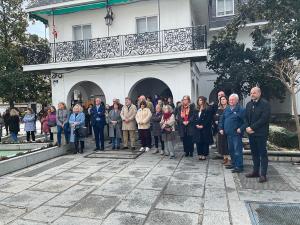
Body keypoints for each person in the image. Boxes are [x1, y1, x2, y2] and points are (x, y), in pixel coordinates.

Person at [244, 87, 271, 183]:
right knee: (254, 153)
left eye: (254, 93)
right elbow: (245, 118)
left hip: (261, 133)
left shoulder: (265, 104)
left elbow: (264, 119)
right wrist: (247, 127)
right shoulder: (248, 104)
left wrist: (252, 128)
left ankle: (263, 174)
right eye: (251, 93)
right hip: (251, 134)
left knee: (262, 154)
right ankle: (255, 172)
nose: (252, 94)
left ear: (259, 93)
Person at [219, 94, 245, 173]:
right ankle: (233, 164)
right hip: (228, 133)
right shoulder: (227, 109)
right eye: (230, 100)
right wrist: (221, 128)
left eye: (233, 100)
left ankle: (239, 166)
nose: (231, 101)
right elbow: (222, 119)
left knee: (237, 150)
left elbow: (246, 122)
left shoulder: (241, 110)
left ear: (237, 100)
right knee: (231, 150)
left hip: (236, 134)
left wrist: (241, 128)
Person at [193, 96, 213, 160]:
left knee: (205, 141)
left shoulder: (208, 109)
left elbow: (209, 119)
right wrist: (196, 125)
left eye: (201, 100)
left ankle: (204, 154)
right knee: (198, 142)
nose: (200, 102)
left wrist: (203, 125)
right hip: (197, 128)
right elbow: (194, 118)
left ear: (204, 101)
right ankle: (200, 154)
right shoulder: (196, 109)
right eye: (199, 100)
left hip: (205, 128)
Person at [214, 96, 230, 165]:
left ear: (227, 100)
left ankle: (229, 159)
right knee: (222, 144)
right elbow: (216, 116)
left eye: (224, 99)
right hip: (220, 129)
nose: (222, 101)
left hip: (227, 128)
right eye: (221, 100)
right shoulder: (219, 109)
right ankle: (225, 158)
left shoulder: (229, 108)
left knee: (227, 145)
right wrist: (216, 120)